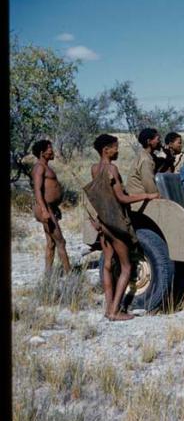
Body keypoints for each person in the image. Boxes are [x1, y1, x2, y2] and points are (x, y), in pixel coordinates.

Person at [88, 134, 160, 321]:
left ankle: (108, 308)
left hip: (104, 221)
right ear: (106, 150)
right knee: (127, 266)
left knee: (108, 264)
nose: (117, 150)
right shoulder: (112, 169)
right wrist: (147, 196)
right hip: (116, 222)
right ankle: (114, 311)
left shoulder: (94, 168)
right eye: (115, 147)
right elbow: (122, 198)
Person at [31, 139, 71, 275]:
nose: (52, 151)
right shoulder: (39, 167)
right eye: (49, 149)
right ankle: (70, 276)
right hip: (44, 208)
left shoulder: (45, 166)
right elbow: (37, 190)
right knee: (61, 241)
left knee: (51, 243)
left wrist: (54, 207)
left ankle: (48, 276)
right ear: (42, 153)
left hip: (50, 208)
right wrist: (44, 210)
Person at [126, 128, 161, 210]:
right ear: (149, 141)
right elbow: (149, 186)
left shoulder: (146, 155)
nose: (159, 142)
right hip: (139, 201)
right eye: (157, 139)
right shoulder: (146, 160)